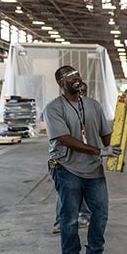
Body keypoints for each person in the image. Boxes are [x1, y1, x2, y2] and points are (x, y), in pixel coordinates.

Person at [44, 66, 120, 254]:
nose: (76, 77)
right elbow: (64, 139)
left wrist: (115, 145)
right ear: (61, 83)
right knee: (69, 218)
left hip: (94, 169)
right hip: (67, 168)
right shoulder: (53, 109)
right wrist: (99, 150)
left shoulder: (93, 105)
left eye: (78, 74)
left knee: (101, 214)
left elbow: (106, 134)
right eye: (70, 76)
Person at [52, 81, 91, 234]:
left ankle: (83, 215)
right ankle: (61, 222)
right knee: (65, 189)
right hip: (65, 156)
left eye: (82, 92)